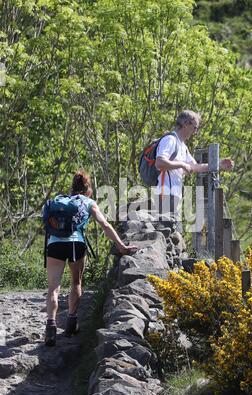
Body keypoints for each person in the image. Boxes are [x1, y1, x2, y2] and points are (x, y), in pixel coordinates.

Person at [44, 170, 137, 346]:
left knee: (53, 288)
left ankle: (50, 328)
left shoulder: (57, 200)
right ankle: (71, 322)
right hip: (76, 244)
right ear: (88, 189)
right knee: (76, 283)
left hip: (54, 244)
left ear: (72, 187)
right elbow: (105, 225)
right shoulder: (88, 202)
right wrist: (121, 246)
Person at [155, 110, 234, 229]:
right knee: (167, 232)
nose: (195, 132)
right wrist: (182, 164)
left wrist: (219, 164)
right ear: (186, 124)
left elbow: (195, 167)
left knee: (173, 233)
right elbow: (159, 163)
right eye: (195, 127)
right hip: (165, 194)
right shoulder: (170, 140)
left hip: (174, 195)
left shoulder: (182, 146)